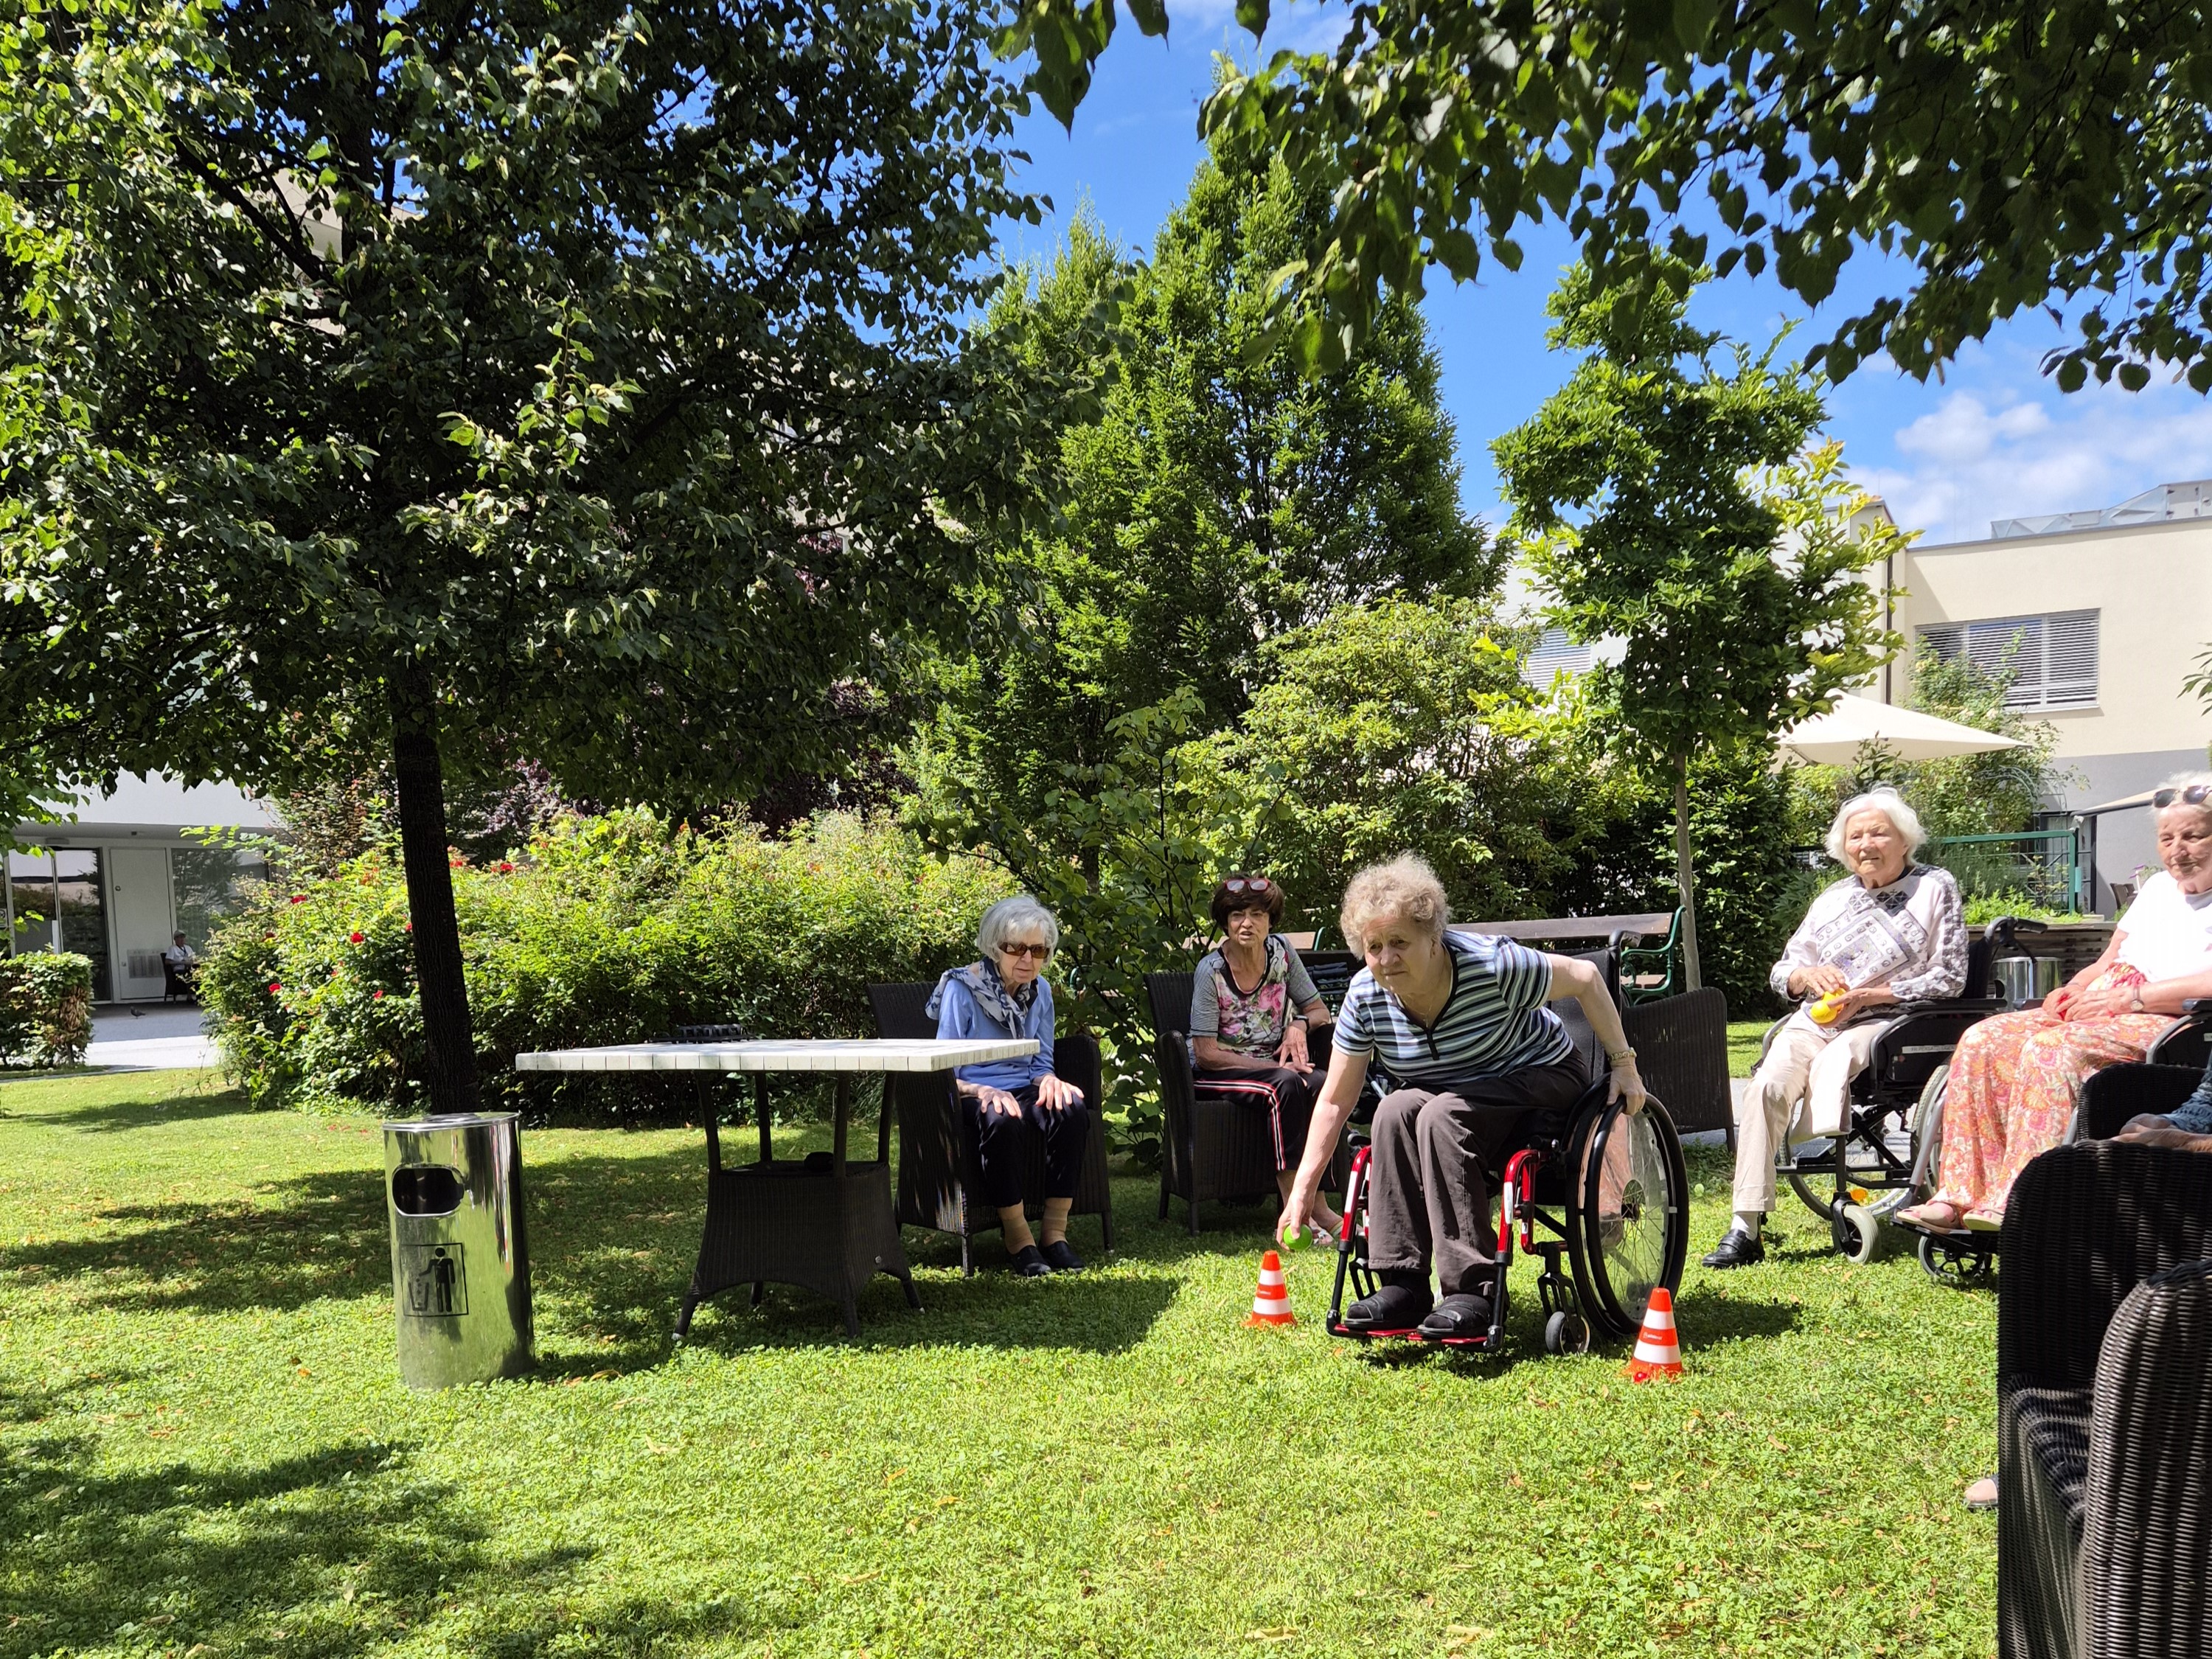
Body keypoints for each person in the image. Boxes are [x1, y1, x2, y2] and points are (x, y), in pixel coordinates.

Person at [1275, 853, 1646, 1338]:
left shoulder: (1492, 966)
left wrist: (1624, 1064)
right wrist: (1303, 1191)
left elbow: (1586, 978)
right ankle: (1403, 1285)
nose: (1386, 959)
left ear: (1434, 938)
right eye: (1374, 947)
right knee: (1394, 1110)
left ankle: (1474, 1290)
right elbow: (1334, 1101)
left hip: (1541, 1079)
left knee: (1442, 1116)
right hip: (1453, 1094)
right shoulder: (1365, 996)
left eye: (1400, 942)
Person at [1899, 774, 2212, 1232]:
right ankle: (1959, 1194)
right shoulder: (2157, 889)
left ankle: (2025, 1199)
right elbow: (2110, 958)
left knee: (2051, 1050)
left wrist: (2130, 998)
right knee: (1984, 1038)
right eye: (2167, 838)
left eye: (2193, 836)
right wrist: (2075, 988)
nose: (2177, 850)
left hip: (2172, 1019)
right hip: (2111, 998)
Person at [1704, 789, 1966, 1269]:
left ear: (1904, 839)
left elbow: (1950, 975)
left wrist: (1873, 995)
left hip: (1889, 1023)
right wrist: (1806, 976)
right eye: (1855, 836)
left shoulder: (1934, 887)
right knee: (1766, 1086)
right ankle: (1745, 1226)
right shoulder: (1833, 899)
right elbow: (1783, 972)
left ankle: (1815, 1129)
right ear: (1843, 847)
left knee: (1836, 1058)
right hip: (1815, 1020)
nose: (1866, 844)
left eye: (1878, 833)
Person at [928, 894, 1093, 1276]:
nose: (1028, 959)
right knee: (1001, 1117)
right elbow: (944, 1071)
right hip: (971, 1092)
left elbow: (1041, 1060)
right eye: (1016, 948)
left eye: (1038, 950)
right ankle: (1018, 1237)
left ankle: (1054, 1234)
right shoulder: (962, 989)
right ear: (995, 946)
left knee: (1071, 1108)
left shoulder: (1041, 991)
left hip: (1022, 1086)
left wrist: (1050, 1081)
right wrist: (982, 1091)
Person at [1187, 873, 1340, 1236]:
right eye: (1237, 915)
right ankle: (1294, 1212)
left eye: (1257, 914)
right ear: (1226, 923)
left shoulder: (1282, 953)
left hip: (1273, 1069)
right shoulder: (1211, 971)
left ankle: (1319, 1206)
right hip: (1216, 1072)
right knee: (1284, 1084)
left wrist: (1298, 1024)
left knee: (1320, 1083)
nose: (1247, 923)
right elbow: (1205, 1053)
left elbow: (1320, 1010)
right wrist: (1270, 1066)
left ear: (1270, 921)